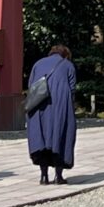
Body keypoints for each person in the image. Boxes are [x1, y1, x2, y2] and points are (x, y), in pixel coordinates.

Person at [26, 45, 78, 184]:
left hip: (39, 104)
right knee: (60, 137)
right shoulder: (68, 65)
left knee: (41, 139)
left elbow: (31, 84)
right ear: (65, 55)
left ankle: (44, 176)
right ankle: (58, 176)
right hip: (60, 106)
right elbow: (72, 88)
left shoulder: (38, 64)